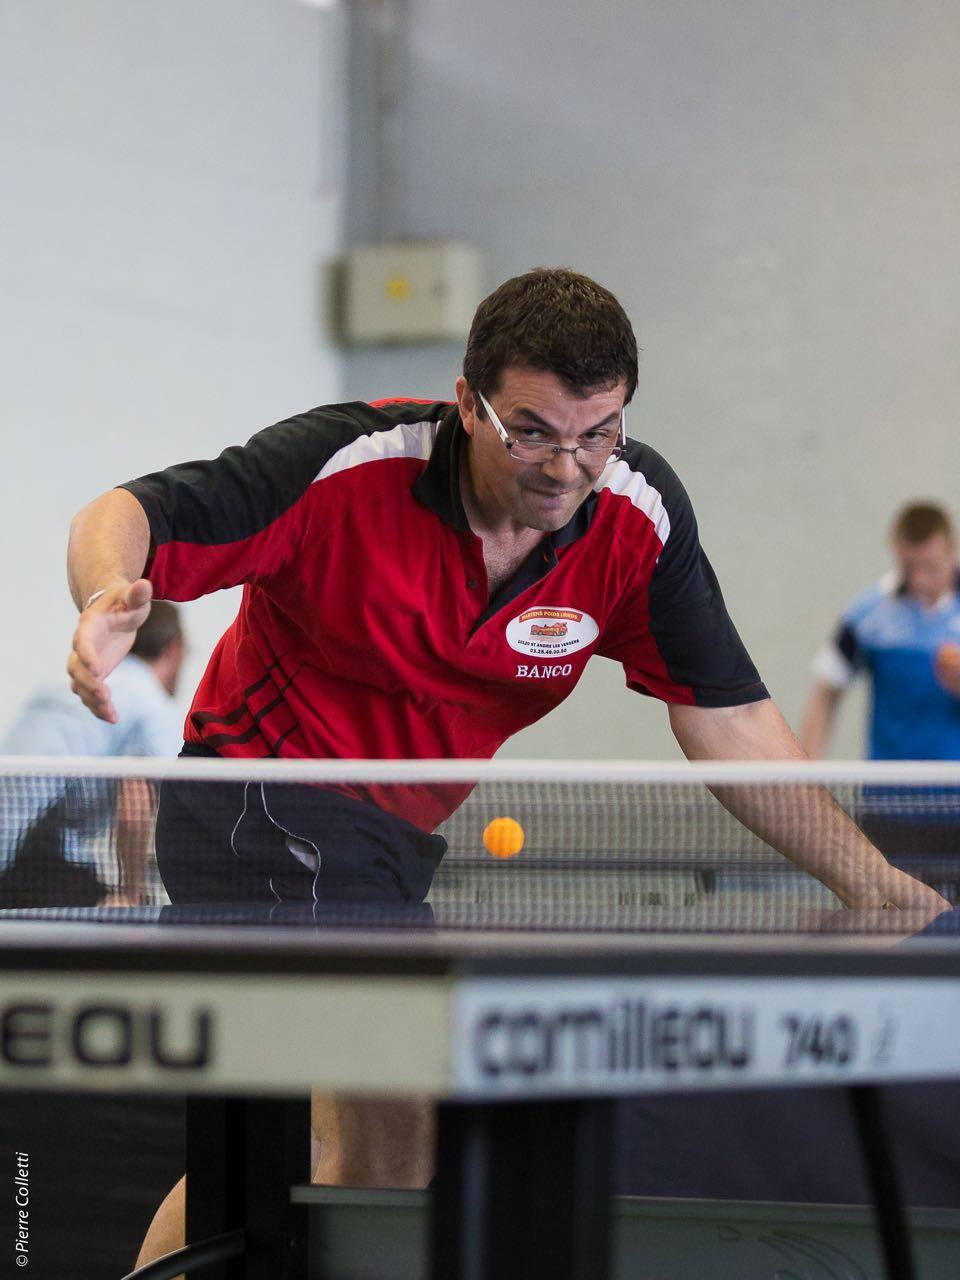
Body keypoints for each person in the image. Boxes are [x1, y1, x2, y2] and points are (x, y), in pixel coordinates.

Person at [63, 268, 949, 1267]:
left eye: (598, 432)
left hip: (391, 843)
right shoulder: (348, 463)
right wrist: (105, 595)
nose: (567, 466)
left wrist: (875, 882)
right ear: (467, 402)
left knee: (321, 1147)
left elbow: (731, 718)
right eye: (531, 431)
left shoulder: (635, 517)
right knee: (381, 1122)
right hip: (258, 797)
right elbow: (127, 510)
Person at [1, 602, 185, 906]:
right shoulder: (152, 703)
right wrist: (132, 892)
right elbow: (135, 803)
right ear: (175, 649)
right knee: (114, 915)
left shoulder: (70, 680)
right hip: (36, 848)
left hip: (17, 843)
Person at [801, 501, 960, 760]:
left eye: (930, 566)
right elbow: (826, 688)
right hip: (887, 781)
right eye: (909, 567)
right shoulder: (868, 613)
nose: (919, 579)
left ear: (951, 549)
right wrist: (808, 770)